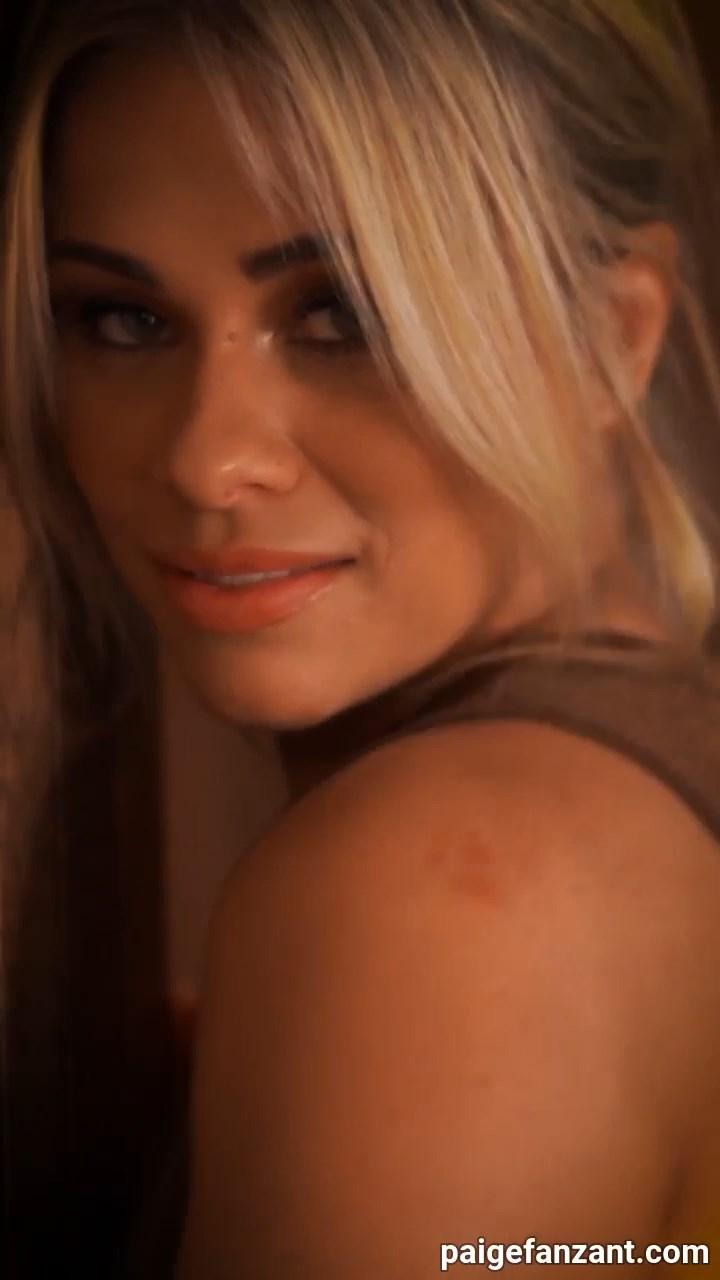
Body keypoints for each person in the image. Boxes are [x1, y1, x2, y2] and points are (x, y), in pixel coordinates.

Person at [4, 0, 720, 1275]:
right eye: (122, 319)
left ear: (614, 335)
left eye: (349, 314)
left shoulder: (449, 886)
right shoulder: (642, 779)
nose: (208, 457)